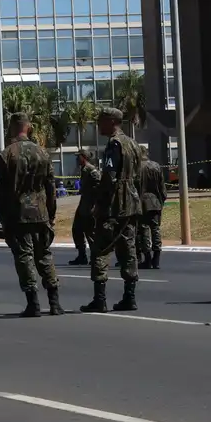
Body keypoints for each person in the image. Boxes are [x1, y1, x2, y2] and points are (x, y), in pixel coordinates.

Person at [0, 112, 62, 317]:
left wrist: (3, 216)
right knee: (44, 255)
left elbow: (0, 190)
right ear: (28, 127)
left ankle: (33, 302)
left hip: (19, 214)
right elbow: (51, 186)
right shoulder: (42, 153)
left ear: (14, 127)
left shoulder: (7, 154)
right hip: (40, 212)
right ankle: (54, 302)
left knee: (24, 256)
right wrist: (51, 212)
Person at [81, 107, 143, 313]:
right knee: (128, 250)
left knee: (101, 249)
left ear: (111, 121)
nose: (98, 125)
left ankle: (100, 299)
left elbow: (109, 177)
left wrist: (100, 205)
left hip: (114, 206)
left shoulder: (114, 144)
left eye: (101, 121)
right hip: (131, 205)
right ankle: (130, 296)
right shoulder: (133, 144)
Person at [68, 149, 99, 266]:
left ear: (84, 157)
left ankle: (95, 257)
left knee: (90, 232)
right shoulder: (84, 170)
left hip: (90, 206)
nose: (76, 159)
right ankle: (82, 255)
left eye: (78, 157)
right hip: (83, 205)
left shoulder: (91, 170)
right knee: (77, 230)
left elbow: (99, 186)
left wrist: (95, 204)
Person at [136, 156, 167, 269]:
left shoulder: (137, 167)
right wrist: (161, 201)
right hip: (155, 202)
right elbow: (162, 188)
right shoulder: (156, 166)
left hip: (141, 202)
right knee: (155, 229)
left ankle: (148, 258)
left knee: (143, 230)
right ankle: (156, 258)